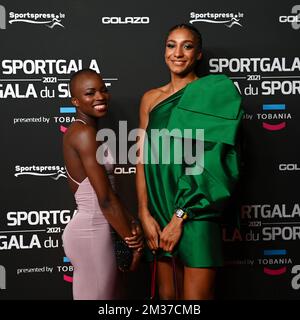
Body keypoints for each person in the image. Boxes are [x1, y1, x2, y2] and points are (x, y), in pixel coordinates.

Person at [136, 23, 243, 300]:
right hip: (159, 212)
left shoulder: (212, 94)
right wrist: (144, 213)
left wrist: (181, 216)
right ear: (164, 51)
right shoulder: (150, 98)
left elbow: (214, 163)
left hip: (195, 213)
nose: (178, 53)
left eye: (187, 46)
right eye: (171, 45)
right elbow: (142, 159)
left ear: (198, 54)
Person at [62, 69, 143, 300]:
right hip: (92, 232)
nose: (100, 96)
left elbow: (110, 194)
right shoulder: (84, 134)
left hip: (101, 230)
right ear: (75, 101)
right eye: (90, 93)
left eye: (103, 90)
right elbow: (105, 199)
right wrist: (133, 243)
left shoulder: (88, 131)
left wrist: (131, 220)